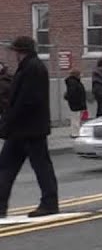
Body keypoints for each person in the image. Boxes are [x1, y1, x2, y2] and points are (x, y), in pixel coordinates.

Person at [0, 36, 60, 219]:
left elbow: (27, 101)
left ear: (20, 51)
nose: (14, 55)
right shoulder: (30, 67)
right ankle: (1, 206)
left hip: (29, 129)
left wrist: (7, 123)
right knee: (6, 168)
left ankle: (49, 203)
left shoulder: (32, 68)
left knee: (40, 167)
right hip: (24, 129)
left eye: (15, 51)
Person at [64, 70, 88, 139]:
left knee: (76, 119)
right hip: (76, 104)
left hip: (77, 103)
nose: (81, 75)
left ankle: (76, 132)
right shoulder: (73, 82)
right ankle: (75, 133)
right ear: (76, 75)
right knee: (75, 119)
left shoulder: (75, 82)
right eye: (80, 74)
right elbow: (72, 93)